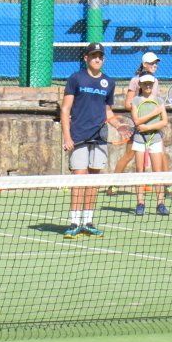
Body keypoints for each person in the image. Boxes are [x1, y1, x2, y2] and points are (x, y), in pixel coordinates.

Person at [59, 44, 116, 236]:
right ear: (86, 58)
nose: (97, 59)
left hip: (99, 138)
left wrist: (120, 125)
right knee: (79, 179)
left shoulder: (109, 82)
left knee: (93, 180)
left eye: (100, 56)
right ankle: (75, 222)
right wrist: (67, 137)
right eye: (93, 56)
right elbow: (65, 109)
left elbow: (108, 112)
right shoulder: (76, 78)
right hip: (78, 136)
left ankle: (88, 221)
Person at [106, 50, 157, 192]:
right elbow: (127, 104)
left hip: (151, 125)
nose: (155, 65)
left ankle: (156, 185)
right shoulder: (135, 81)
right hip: (137, 123)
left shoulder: (155, 81)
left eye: (156, 63)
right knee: (130, 154)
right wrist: (140, 107)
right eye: (152, 63)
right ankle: (113, 184)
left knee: (155, 154)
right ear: (145, 64)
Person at [128, 76, 170, 217]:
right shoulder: (135, 101)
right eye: (145, 84)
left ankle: (161, 203)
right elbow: (137, 120)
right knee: (139, 171)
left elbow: (164, 122)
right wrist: (154, 113)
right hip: (140, 139)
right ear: (140, 84)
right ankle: (140, 203)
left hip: (155, 139)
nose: (148, 86)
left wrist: (148, 127)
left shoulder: (159, 101)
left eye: (150, 84)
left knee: (157, 172)